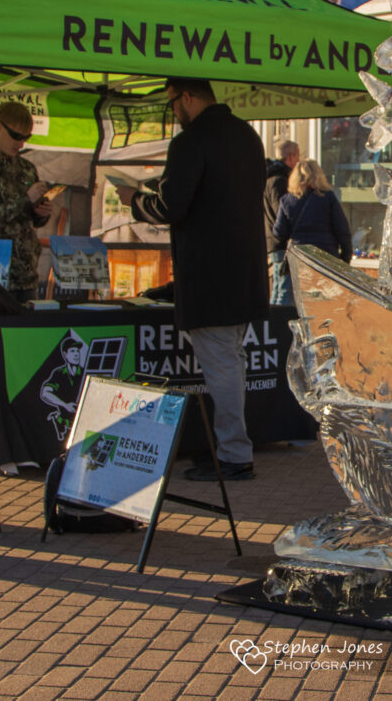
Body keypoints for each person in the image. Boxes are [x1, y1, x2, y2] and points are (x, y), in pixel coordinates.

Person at [116, 78, 268, 481]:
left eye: (172, 104)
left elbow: (172, 206)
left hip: (210, 277)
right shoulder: (247, 135)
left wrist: (134, 201)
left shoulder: (191, 141)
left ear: (186, 97)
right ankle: (229, 449)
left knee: (222, 368)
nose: (173, 113)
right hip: (245, 272)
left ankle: (235, 455)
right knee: (230, 364)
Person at [0, 102, 54, 304]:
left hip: (25, 275)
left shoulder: (26, 167)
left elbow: (31, 220)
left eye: (26, 137)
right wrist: (26, 200)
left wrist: (41, 213)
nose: (21, 144)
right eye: (16, 136)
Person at [273, 160, 353, 279]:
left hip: (299, 255)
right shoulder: (327, 197)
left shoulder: (287, 200)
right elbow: (342, 229)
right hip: (327, 255)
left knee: (299, 295)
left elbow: (279, 232)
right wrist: (345, 258)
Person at [264, 139, 300, 305]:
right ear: (291, 157)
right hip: (281, 242)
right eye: (298, 156)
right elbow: (282, 212)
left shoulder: (268, 178)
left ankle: (272, 327)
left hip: (272, 239)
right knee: (284, 290)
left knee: (279, 288)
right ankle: (279, 328)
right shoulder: (279, 180)